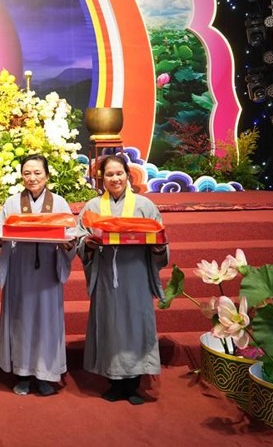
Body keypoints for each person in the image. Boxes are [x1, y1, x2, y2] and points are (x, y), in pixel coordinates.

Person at [77, 154, 168, 405]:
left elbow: (160, 236)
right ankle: (115, 382)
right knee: (110, 324)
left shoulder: (145, 205)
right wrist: (87, 244)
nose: (115, 178)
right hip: (107, 275)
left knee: (136, 324)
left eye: (119, 173)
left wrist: (159, 247)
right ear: (102, 178)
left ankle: (134, 384)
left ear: (128, 175)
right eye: (109, 174)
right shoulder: (93, 206)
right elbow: (79, 235)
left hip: (136, 274)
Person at [0, 154, 79, 397]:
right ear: (21, 176)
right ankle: (22, 373)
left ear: (47, 175)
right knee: (21, 320)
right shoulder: (11, 203)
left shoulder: (59, 203)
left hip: (48, 275)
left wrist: (69, 244)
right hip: (19, 272)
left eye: (37, 173)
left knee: (46, 322)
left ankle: (45, 375)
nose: (32, 178)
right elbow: (1, 232)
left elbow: (71, 234)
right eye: (27, 173)